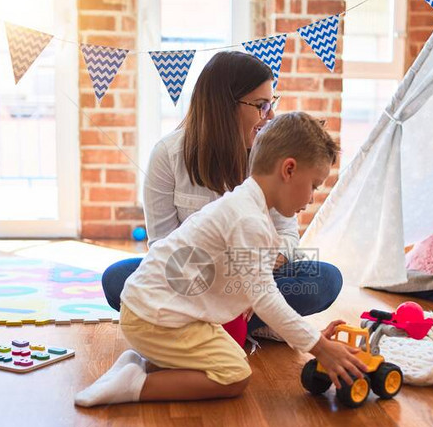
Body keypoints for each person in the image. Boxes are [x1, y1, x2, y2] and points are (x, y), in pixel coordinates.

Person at [76, 112, 365, 406]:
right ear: (288, 170)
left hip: (162, 310)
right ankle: (136, 384)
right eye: (314, 185)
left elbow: (256, 291)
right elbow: (265, 298)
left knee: (232, 356)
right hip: (154, 317)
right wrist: (319, 348)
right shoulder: (249, 220)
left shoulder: (246, 205)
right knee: (234, 374)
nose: (312, 197)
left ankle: (139, 363)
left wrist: (311, 337)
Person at [101, 51, 342, 339]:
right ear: (224, 105)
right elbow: (164, 247)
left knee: (325, 279)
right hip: (196, 279)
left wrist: (254, 279)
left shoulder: (268, 157)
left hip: (257, 274)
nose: (271, 116)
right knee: (118, 279)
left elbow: (287, 237)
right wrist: (232, 284)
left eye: (272, 104)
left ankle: (209, 325)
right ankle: (246, 322)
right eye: (262, 105)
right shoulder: (168, 154)